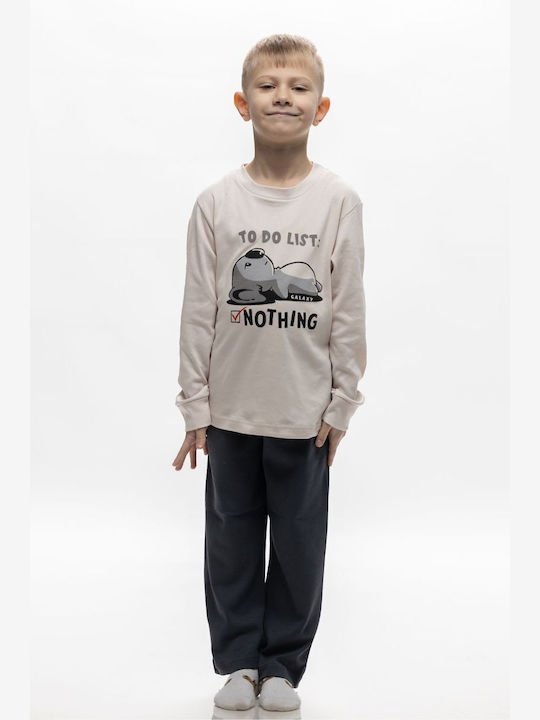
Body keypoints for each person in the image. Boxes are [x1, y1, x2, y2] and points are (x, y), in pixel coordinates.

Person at [172, 33, 367, 712]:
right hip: (230, 412)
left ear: (321, 108)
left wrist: (342, 402)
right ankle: (238, 663)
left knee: (299, 544)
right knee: (229, 543)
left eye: (299, 87)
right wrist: (194, 406)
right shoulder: (216, 203)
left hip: (304, 415)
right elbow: (199, 308)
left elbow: (348, 307)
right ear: (242, 102)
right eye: (267, 86)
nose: (283, 97)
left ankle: (281, 665)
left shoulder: (337, 202)